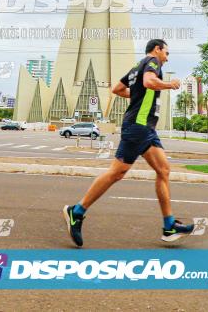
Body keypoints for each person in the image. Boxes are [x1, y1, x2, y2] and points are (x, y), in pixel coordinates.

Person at [64, 39, 194, 247]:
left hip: (147, 129)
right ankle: (77, 212)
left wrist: (136, 95)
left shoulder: (136, 67)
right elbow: (149, 82)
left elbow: (117, 88)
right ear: (157, 49)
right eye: (166, 53)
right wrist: (170, 84)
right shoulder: (152, 61)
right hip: (138, 127)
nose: (167, 59)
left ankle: (169, 226)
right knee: (117, 173)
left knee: (164, 170)